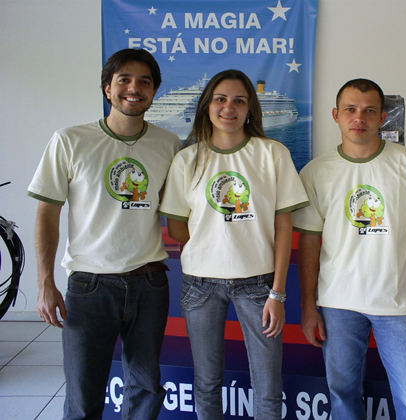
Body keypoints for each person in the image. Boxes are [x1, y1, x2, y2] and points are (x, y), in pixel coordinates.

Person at [28, 48, 181, 420]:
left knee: (146, 387)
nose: (134, 88)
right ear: (107, 88)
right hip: (89, 285)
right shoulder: (70, 140)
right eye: (124, 80)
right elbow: (47, 213)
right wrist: (45, 282)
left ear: (154, 91)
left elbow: (178, 210)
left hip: (149, 283)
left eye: (145, 81)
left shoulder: (169, 144)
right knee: (84, 394)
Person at [159, 69, 308, 419]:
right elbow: (176, 226)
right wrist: (212, 243)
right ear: (206, 106)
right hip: (200, 284)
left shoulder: (272, 153)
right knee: (206, 382)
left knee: (267, 386)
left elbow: (283, 227)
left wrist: (278, 293)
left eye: (239, 101)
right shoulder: (187, 159)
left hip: (259, 285)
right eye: (221, 99)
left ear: (250, 108)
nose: (229, 108)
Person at [292, 79, 406, 419]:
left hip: (400, 303)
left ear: (383, 117)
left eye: (369, 111)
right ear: (336, 115)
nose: (359, 118)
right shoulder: (316, 172)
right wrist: (308, 306)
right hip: (337, 304)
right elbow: (310, 243)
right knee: (343, 396)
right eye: (350, 109)